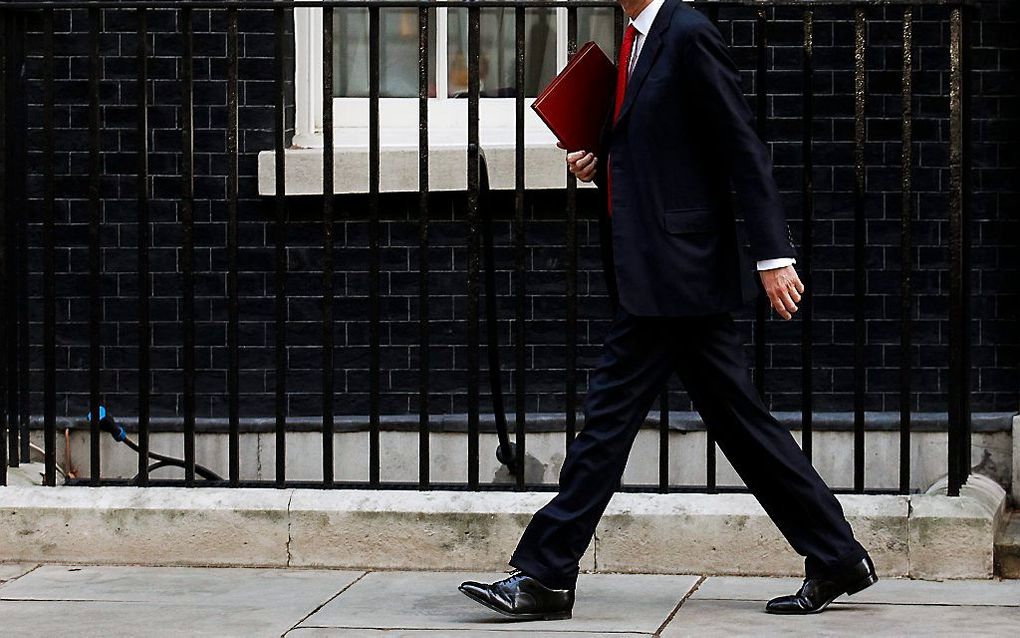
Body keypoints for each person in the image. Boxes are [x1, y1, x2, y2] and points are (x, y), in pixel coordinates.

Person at [458, 0, 876, 621]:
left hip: (676, 275)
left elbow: (740, 146)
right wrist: (599, 161)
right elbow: (661, 152)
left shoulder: (687, 33)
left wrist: (772, 255)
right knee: (742, 426)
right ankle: (838, 555)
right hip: (660, 272)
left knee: (606, 423)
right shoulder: (632, 40)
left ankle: (545, 575)